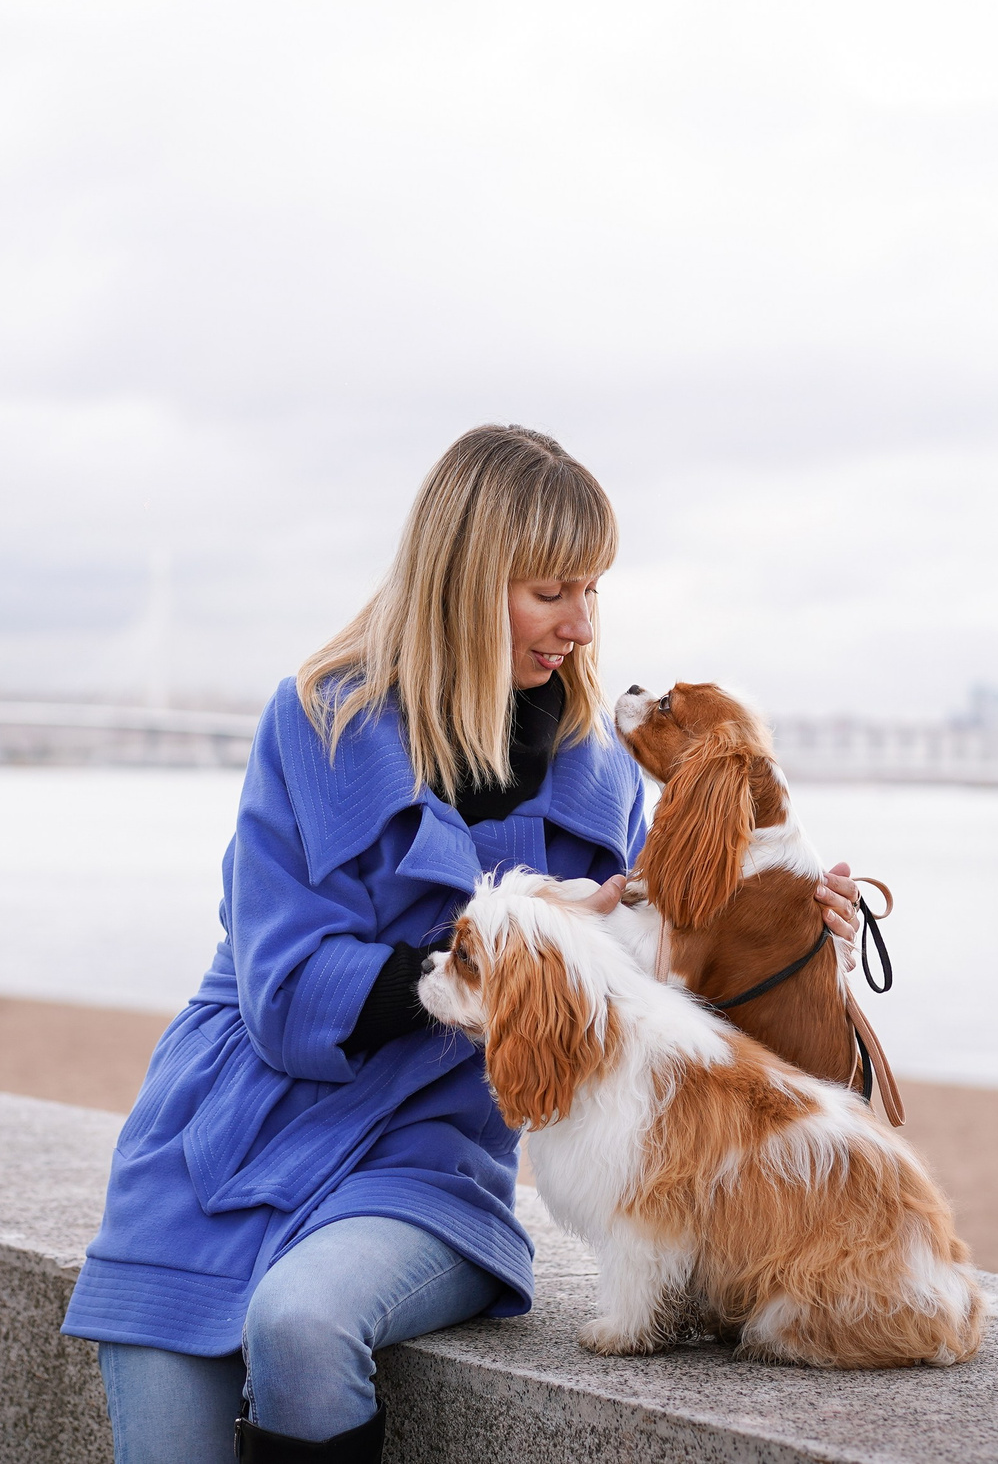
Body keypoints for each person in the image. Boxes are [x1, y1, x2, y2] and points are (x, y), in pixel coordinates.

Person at [63, 425, 861, 1463]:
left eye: (593, 592)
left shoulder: (603, 776)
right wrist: (522, 939)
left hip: (426, 1156)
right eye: (551, 591)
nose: (581, 625)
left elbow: (648, 1021)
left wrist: (781, 932)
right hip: (222, 1138)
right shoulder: (319, 721)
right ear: (466, 579)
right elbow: (285, 994)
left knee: (302, 1324)